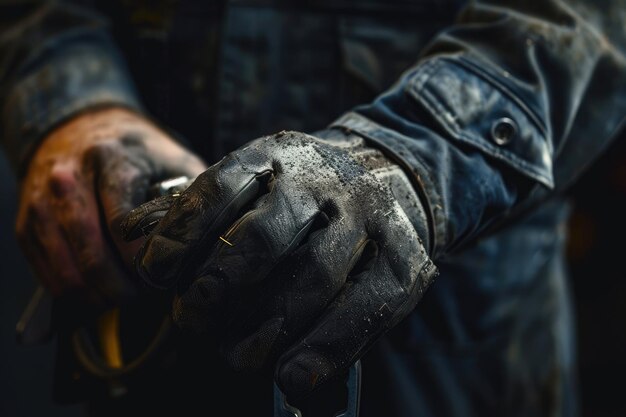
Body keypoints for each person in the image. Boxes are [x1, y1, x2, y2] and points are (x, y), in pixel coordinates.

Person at [1, 1, 625, 416]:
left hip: (444, 365)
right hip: (153, 354)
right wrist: (77, 102)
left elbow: (588, 19)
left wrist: (406, 158)